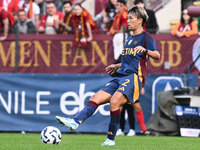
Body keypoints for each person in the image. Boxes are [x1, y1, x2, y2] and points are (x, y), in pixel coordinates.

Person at [56, 6, 160, 146]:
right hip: (121, 76)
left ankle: (110, 139)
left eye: (131, 18)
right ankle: (75, 122)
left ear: (140, 20)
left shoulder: (146, 37)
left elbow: (157, 55)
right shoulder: (129, 39)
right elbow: (128, 61)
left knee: (115, 101)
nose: (127, 21)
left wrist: (146, 50)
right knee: (95, 98)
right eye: (127, 18)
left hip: (134, 77)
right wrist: (116, 66)